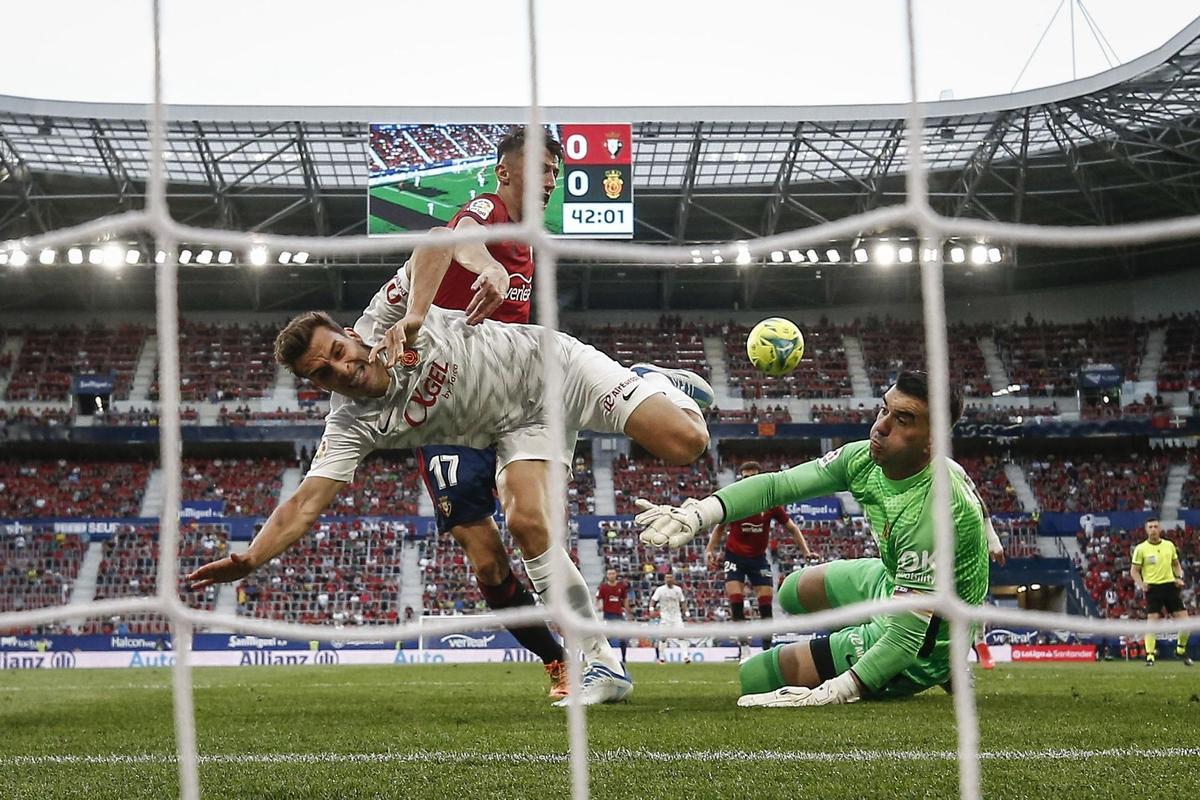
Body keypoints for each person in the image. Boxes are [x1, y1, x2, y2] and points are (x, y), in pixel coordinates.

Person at [187, 245, 713, 707]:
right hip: (519, 427)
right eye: (323, 373)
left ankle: (647, 381)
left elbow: (442, 241)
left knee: (687, 444)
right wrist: (251, 558)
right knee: (528, 524)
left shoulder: (385, 313)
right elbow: (304, 504)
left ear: (350, 336)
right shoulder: (350, 424)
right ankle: (599, 660)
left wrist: (418, 313)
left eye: (340, 353)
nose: (342, 370)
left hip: (555, 367)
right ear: (313, 383)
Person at [636, 371, 1006, 706]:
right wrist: (700, 513)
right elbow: (777, 486)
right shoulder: (864, 458)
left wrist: (834, 691)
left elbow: (906, 640)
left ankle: (941, 666)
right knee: (792, 591)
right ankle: (849, 644)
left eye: (903, 419)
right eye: (884, 410)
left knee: (754, 677)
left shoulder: (933, 513)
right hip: (891, 580)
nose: (881, 427)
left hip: (928, 637)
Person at [413, 128, 572, 698]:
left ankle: (588, 650)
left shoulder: (530, 240)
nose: (550, 180)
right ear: (505, 172)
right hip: (448, 406)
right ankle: (556, 660)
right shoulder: (487, 211)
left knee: (530, 520)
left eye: (555, 172)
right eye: (539, 169)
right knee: (485, 560)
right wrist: (488, 267)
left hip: (509, 402)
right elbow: (463, 237)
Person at [705, 460, 814, 660]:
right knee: (736, 601)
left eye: (753, 477)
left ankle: (766, 649)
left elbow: (792, 527)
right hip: (734, 556)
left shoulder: (770, 503)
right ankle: (744, 647)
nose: (749, 481)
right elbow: (719, 528)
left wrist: (806, 551)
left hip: (758, 558)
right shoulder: (734, 501)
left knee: (765, 605)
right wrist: (709, 550)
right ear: (741, 479)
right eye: (746, 478)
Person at [1131, 518, 1192, 666]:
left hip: (1170, 587)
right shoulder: (1141, 548)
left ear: (1160, 529)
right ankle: (1150, 656)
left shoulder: (1169, 545)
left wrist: (1179, 577)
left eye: (1155, 527)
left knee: (1186, 623)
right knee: (1152, 623)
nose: (1153, 529)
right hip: (1153, 589)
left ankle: (1180, 649)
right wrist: (1141, 584)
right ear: (1146, 530)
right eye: (1150, 527)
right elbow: (1134, 571)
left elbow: (1176, 565)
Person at [650, 572, 689, 663]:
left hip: (676, 616)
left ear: (673, 579)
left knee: (681, 636)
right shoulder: (660, 590)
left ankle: (686, 657)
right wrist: (651, 609)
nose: (668, 579)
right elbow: (653, 600)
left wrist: (686, 611)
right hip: (665, 616)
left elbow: (682, 601)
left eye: (670, 577)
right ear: (664, 579)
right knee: (663, 637)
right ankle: (662, 658)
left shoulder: (678, 590)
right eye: (667, 578)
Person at [596, 568, 631, 663]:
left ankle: (624, 658)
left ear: (616, 574)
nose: (611, 575)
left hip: (619, 614)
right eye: (609, 574)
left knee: (623, 637)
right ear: (607, 575)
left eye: (613, 573)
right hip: (608, 615)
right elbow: (598, 598)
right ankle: (607, 658)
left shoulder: (621, 586)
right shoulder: (603, 587)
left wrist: (628, 611)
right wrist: (599, 605)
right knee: (608, 637)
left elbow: (625, 599)